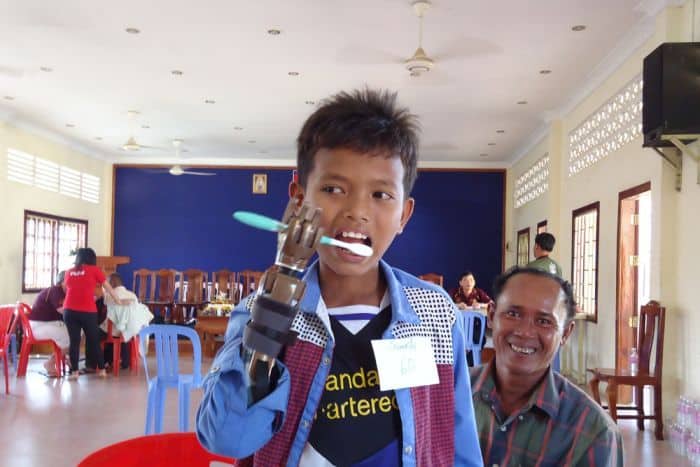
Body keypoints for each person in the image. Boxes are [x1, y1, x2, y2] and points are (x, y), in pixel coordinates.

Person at [197, 89, 482, 466]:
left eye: (381, 194)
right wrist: (279, 296)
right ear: (298, 200)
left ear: (404, 216)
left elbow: (456, 439)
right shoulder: (258, 311)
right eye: (333, 189)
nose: (356, 211)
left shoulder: (434, 312)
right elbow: (227, 438)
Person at [470, 267, 623, 466]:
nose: (525, 332)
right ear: (491, 315)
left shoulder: (593, 432)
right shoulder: (446, 394)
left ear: (566, 333)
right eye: (513, 314)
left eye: (544, 321)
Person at [63, 247, 123, 379]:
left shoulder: (69, 272)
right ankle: (102, 370)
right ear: (92, 258)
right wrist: (118, 300)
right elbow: (108, 287)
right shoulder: (94, 270)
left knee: (74, 341)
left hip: (69, 311)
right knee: (94, 340)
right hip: (87, 311)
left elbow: (67, 288)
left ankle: (74, 372)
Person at [99, 273, 151, 370]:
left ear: (111, 284)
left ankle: (96, 363)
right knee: (116, 333)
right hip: (130, 331)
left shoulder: (109, 295)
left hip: (113, 331)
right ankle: (123, 361)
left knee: (95, 333)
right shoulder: (133, 295)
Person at [29, 270, 69, 376]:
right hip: (38, 327)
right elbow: (63, 311)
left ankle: (65, 358)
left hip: (44, 325)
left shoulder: (60, 292)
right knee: (72, 335)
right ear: (63, 281)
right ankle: (50, 363)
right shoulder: (56, 290)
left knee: (75, 332)